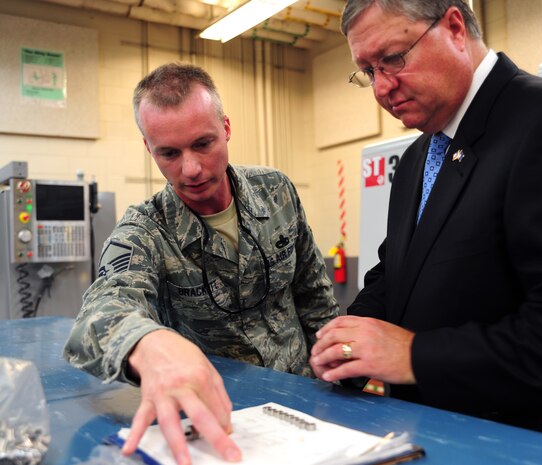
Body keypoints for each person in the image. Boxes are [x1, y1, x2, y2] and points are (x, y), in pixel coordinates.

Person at [310, 0, 542, 455]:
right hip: (440, 437)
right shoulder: (418, 157)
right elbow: (399, 271)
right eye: (368, 71)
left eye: (393, 58)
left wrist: (413, 355)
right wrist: (351, 333)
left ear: (453, 26)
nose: (382, 88)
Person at [63, 62, 339, 464]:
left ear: (226, 128)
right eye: (169, 153)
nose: (190, 169)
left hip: (308, 403)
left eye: (203, 144)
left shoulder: (276, 190)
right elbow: (99, 314)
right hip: (216, 419)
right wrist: (147, 342)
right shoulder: (146, 228)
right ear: (148, 148)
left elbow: (314, 296)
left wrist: (339, 381)